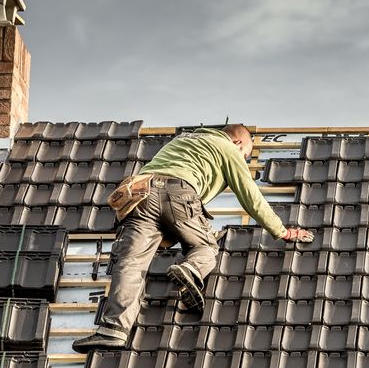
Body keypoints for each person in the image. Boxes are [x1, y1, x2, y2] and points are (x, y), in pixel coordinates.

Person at [72, 124, 314, 353]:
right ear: (239, 142)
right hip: (179, 192)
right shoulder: (228, 148)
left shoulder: (183, 140)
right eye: (247, 155)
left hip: (139, 194)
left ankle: (113, 329)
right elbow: (251, 197)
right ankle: (191, 269)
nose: (244, 160)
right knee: (205, 245)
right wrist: (282, 231)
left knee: (131, 262)